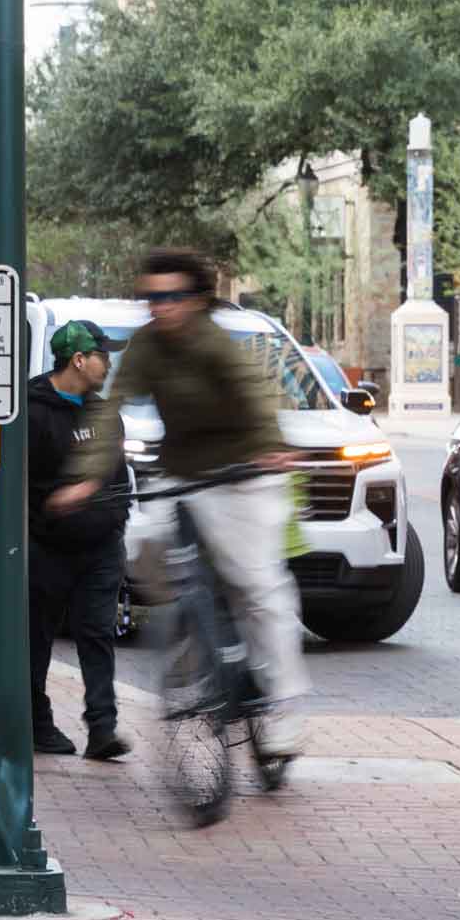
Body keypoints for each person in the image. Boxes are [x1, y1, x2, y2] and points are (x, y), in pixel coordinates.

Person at [47, 249, 311, 761]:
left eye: (171, 297)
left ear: (196, 300)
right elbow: (111, 411)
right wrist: (85, 478)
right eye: (151, 297)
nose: (159, 307)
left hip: (244, 472)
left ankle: (282, 709)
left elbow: (254, 398)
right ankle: (198, 649)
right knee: (145, 549)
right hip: (184, 472)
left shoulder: (217, 345)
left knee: (259, 588)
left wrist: (269, 448)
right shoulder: (146, 346)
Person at [27, 320, 131, 762]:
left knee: (97, 633)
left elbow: (120, 479)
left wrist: (114, 522)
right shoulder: (30, 411)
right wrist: (52, 506)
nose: (108, 364)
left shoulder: (106, 415)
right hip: (47, 548)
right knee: (35, 639)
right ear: (79, 360)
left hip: (101, 548)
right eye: (103, 355)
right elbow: (18, 485)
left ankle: (102, 729)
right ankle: (37, 723)